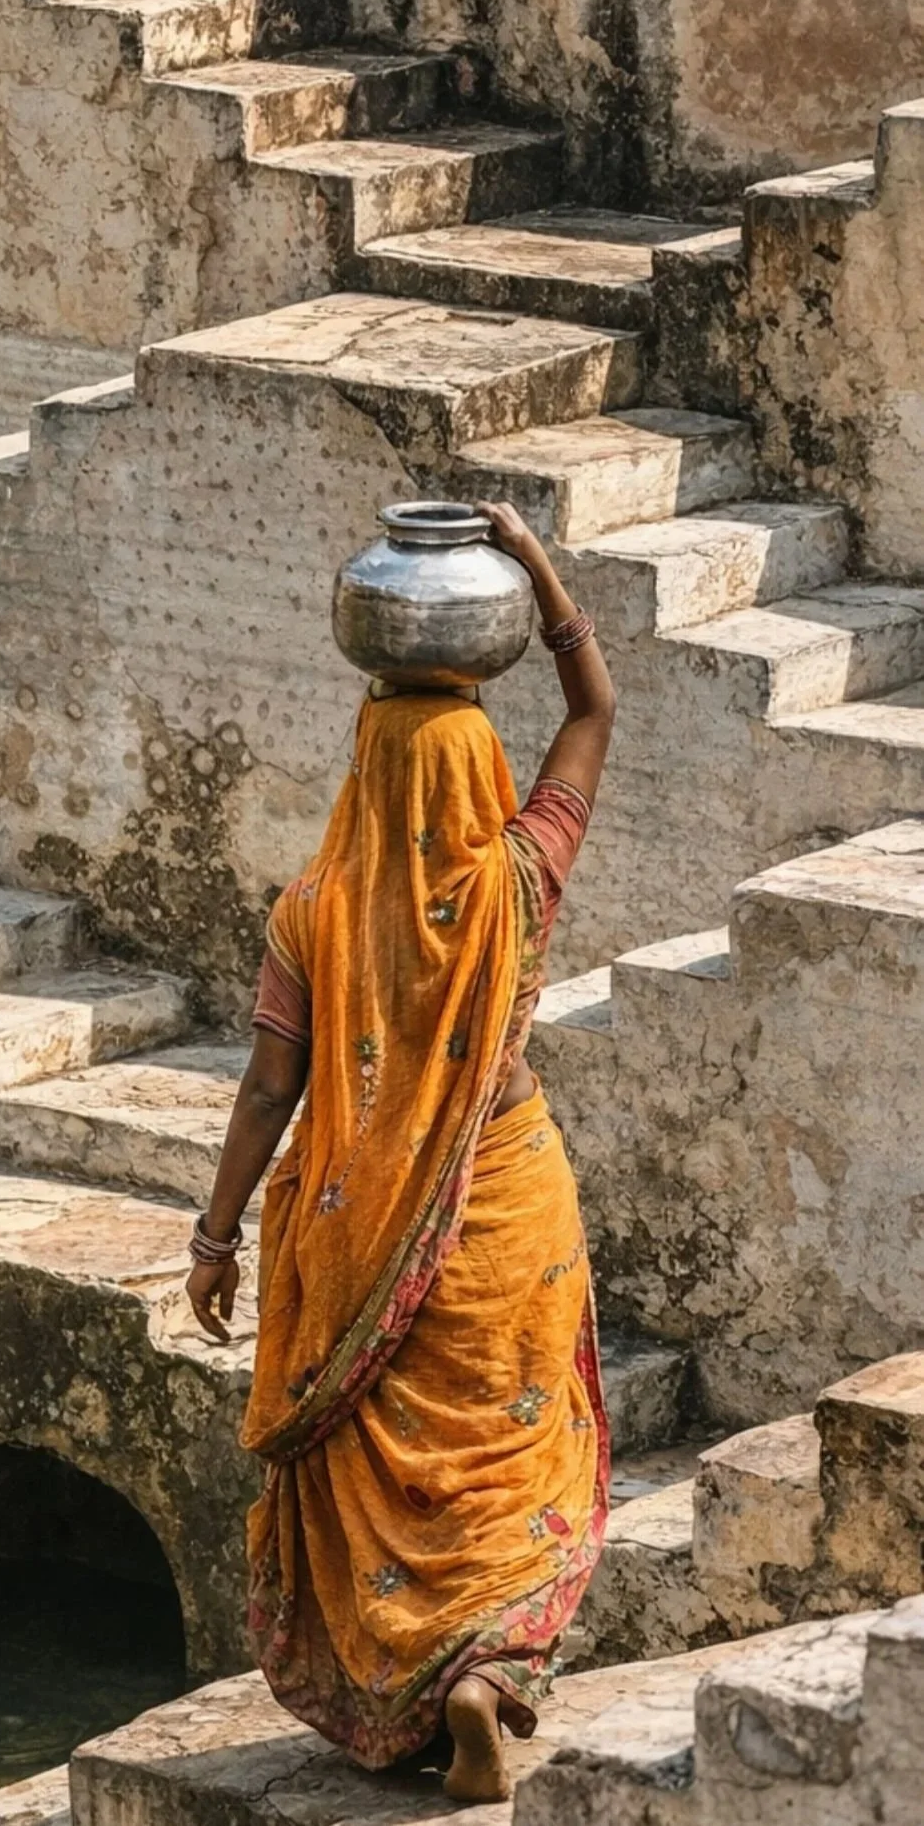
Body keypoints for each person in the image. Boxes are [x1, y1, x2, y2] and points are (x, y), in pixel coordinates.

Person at [184, 500, 617, 1804]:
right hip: (507, 1206)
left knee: (392, 1486)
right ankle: (489, 1677)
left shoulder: (311, 909)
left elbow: (269, 1091)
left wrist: (213, 1235)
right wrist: (540, 577)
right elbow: (592, 720)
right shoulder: (518, 875)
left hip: (357, 1229)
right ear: (477, 777)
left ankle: (432, 1693)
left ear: (364, 776)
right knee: (505, 1457)